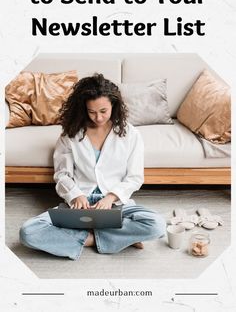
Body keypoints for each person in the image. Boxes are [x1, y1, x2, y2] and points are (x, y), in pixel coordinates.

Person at [20, 74, 166, 260]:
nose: (98, 118)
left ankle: (87, 238)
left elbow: (134, 177)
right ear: (83, 108)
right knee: (28, 232)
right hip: (79, 204)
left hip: (116, 203)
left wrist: (111, 198)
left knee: (157, 225)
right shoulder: (71, 134)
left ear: (114, 105)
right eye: (92, 112)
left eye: (104, 111)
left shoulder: (131, 135)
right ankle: (116, 238)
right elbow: (62, 174)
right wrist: (76, 195)